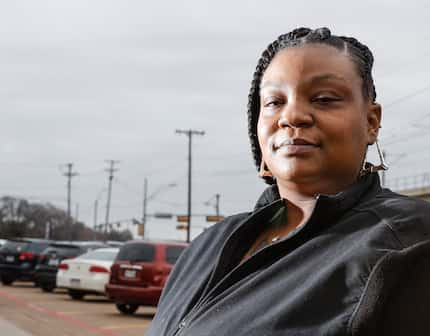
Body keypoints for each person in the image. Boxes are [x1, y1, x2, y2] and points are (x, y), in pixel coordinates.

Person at [146, 27, 430, 336]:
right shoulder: (208, 244)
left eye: (323, 98)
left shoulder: (409, 242)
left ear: (371, 122)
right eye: (273, 102)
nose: (291, 115)